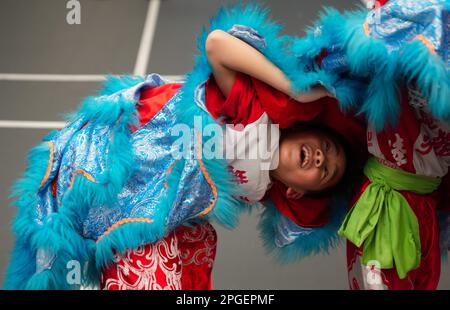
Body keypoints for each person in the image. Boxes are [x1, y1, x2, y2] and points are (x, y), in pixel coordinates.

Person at [4, 4, 366, 290]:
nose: (321, 158)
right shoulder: (254, 114)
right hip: (129, 154)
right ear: (300, 130)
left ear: (297, 192)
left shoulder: (260, 189)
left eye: (326, 171)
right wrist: (291, 88)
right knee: (57, 235)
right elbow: (217, 45)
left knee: (186, 255)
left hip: (149, 212)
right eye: (324, 146)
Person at [276, 0, 449, 289]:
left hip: (409, 200)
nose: (320, 159)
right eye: (328, 168)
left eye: (325, 152)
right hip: (394, 203)